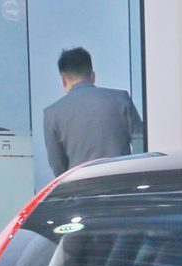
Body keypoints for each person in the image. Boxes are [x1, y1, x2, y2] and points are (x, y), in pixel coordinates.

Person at [42, 46, 144, 176]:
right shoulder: (121, 99)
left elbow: (58, 167)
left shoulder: (51, 114)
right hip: (121, 185)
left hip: (83, 190)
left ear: (63, 79)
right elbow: (141, 145)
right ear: (93, 76)